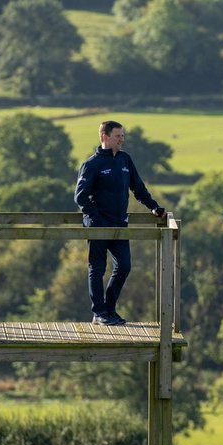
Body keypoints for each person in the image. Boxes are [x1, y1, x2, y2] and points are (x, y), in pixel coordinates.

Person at [74, 120, 167, 326]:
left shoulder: (125, 160)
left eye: (123, 136)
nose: (122, 140)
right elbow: (80, 198)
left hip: (119, 224)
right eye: (118, 136)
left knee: (124, 266)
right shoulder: (92, 164)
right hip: (98, 225)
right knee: (97, 269)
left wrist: (153, 207)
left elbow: (138, 188)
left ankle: (109, 309)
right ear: (104, 137)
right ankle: (99, 313)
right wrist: (97, 220)